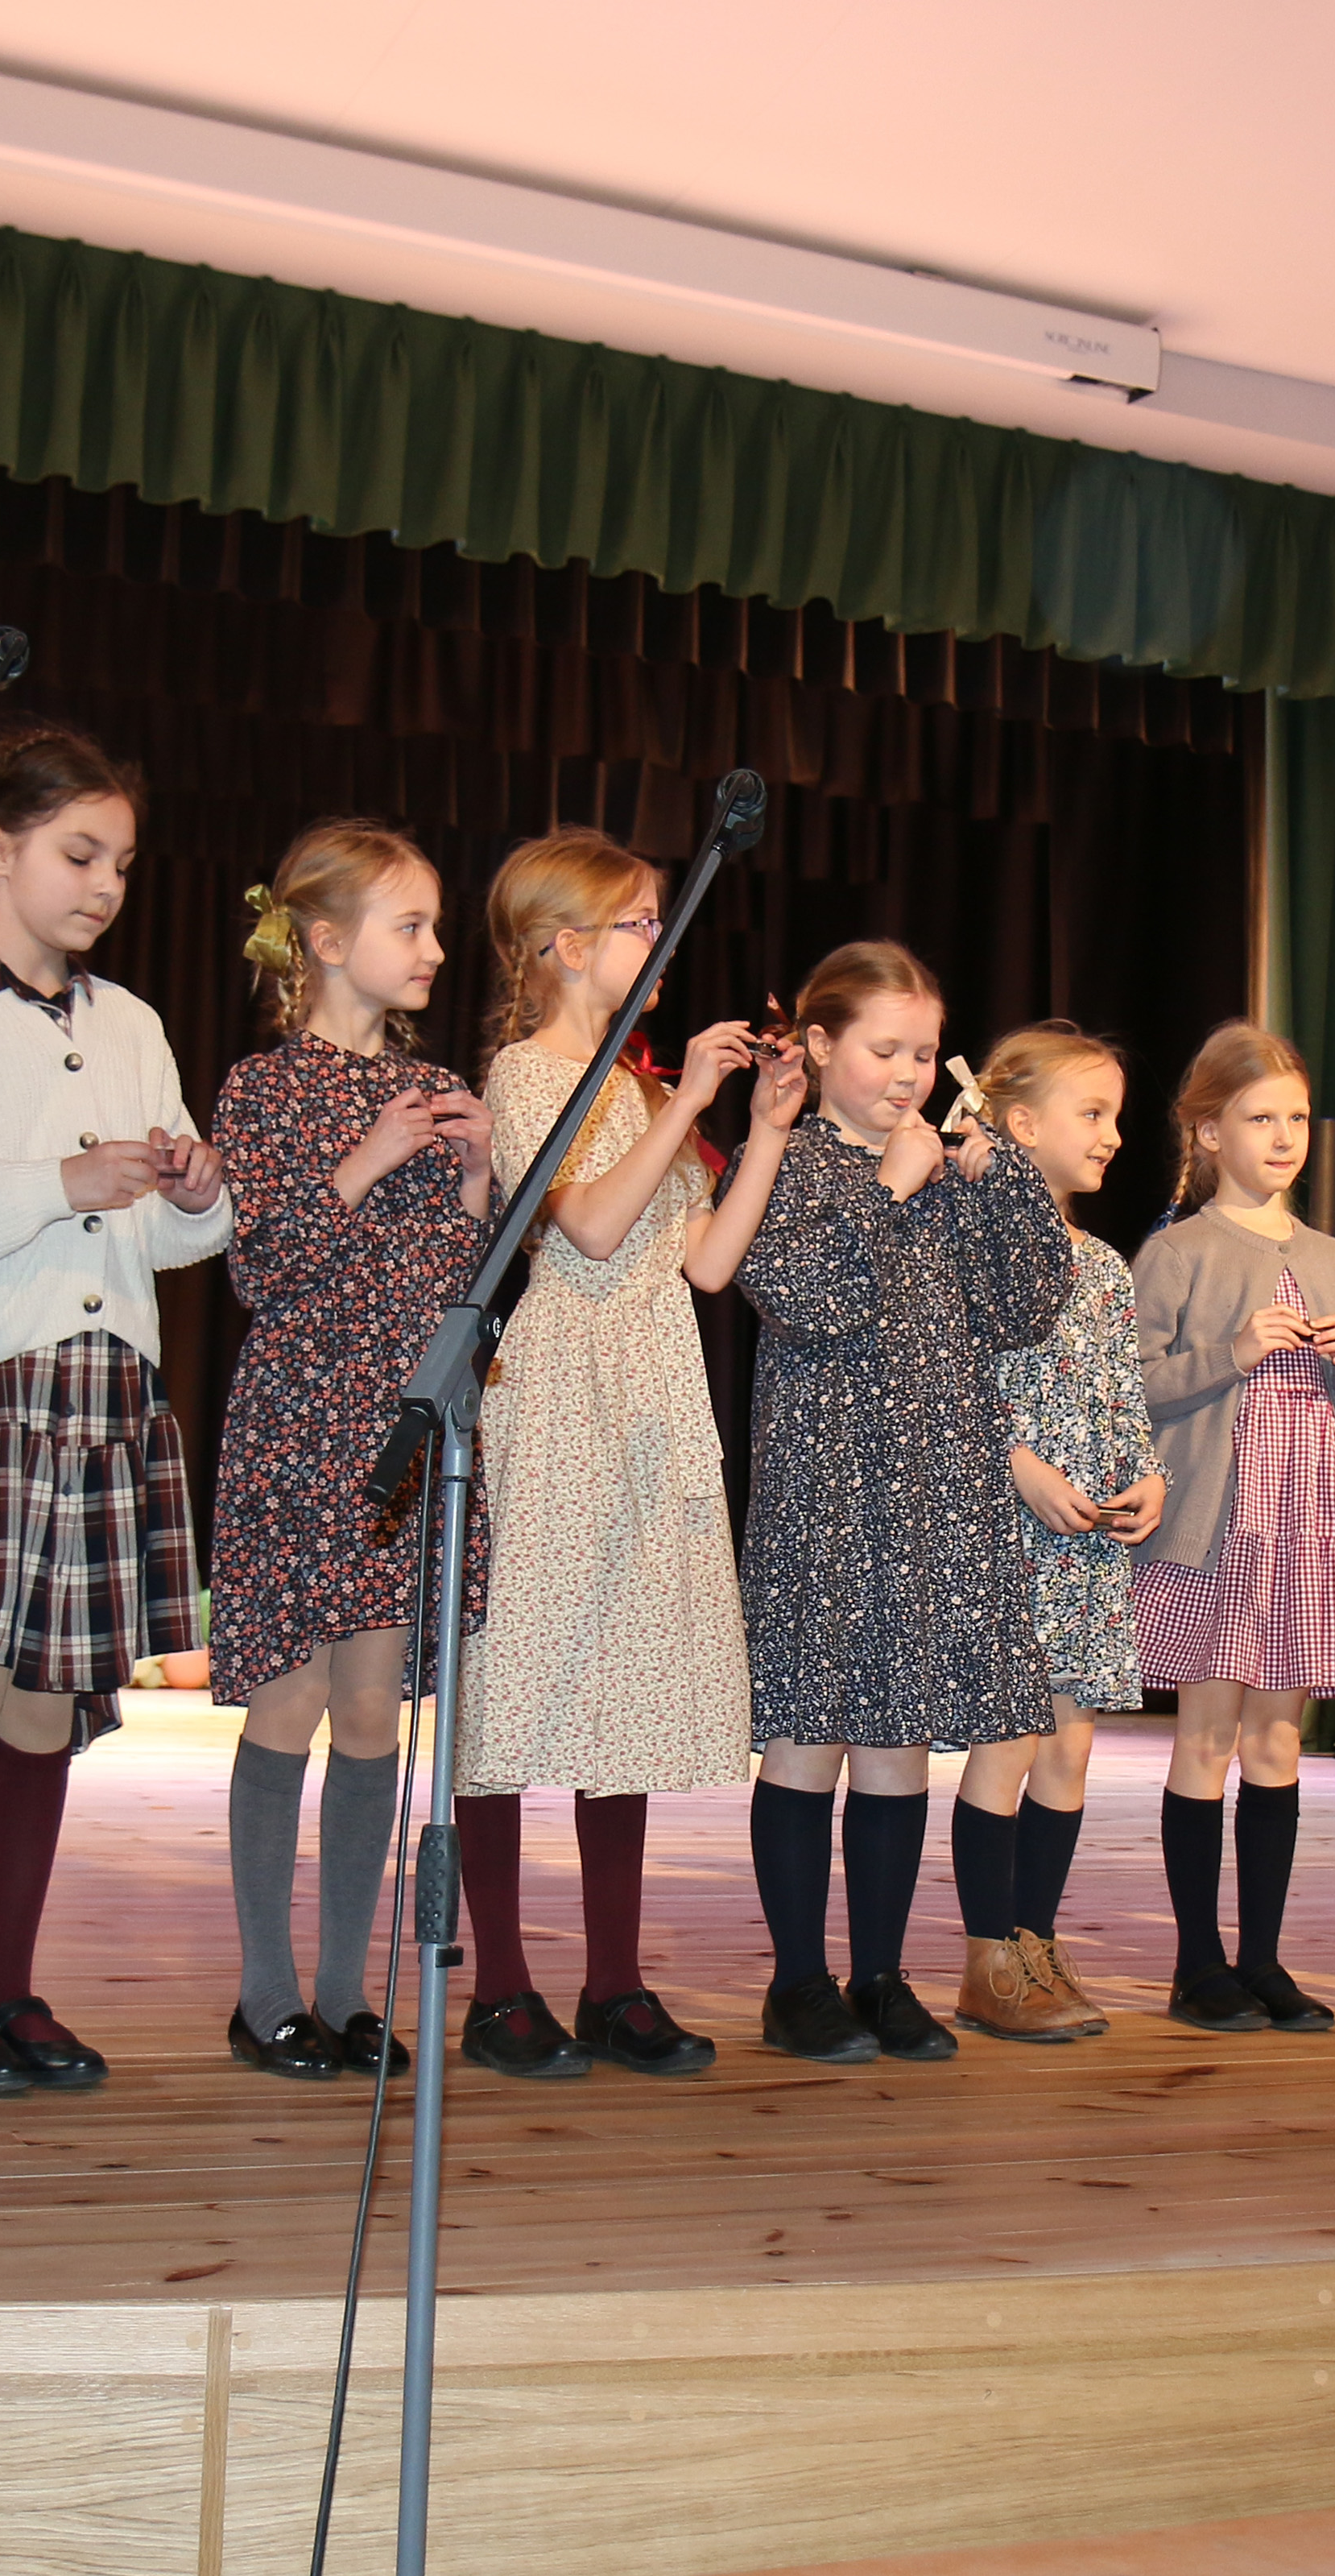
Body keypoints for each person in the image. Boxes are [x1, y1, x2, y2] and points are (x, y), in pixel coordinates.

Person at [0, 724, 227, 2094]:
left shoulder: (131, 1023)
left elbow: (179, 1241)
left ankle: (11, 1987)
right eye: (79, 854)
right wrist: (62, 1183)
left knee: (48, 1709)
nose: (103, 886)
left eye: (121, 865)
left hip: (105, 1387)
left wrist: (195, 1192)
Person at [440, 829, 801, 2079]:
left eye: (657, 918)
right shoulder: (527, 1072)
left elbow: (706, 1263)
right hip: (561, 1397)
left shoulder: (643, 1091)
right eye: (639, 921)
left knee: (626, 1683)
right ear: (562, 945)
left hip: (653, 1389)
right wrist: (689, 1099)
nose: (659, 940)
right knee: (515, 1683)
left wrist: (760, 1129)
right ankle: (499, 1983)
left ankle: (613, 1980)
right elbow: (589, 1227)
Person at [737, 942, 1075, 2065]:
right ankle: (797, 1981)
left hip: (938, 1490)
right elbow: (804, 1296)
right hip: (828, 1492)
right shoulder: (791, 1162)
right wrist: (890, 1186)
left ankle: (878, 1977)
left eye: (924, 1053)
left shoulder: (944, 1167)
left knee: (895, 1747)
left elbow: (1027, 1307)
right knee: (810, 1740)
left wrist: (1002, 1183)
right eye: (884, 1049)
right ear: (819, 1044)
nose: (908, 1073)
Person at [207, 824, 494, 2084]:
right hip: (302, 1424)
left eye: (434, 926)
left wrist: (476, 1175)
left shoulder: (437, 1086)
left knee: (374, 1707)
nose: (433, 948)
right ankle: (265, 1994)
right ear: (326, 941)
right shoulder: (265, 1087)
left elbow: (461, 1278)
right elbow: (263, 1267)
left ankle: (343, 1991)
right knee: (294, 1696)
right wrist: (372, 1155)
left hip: (403, 1425)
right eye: (408, 925)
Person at [1125, 1021, 1335, 2032]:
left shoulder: (1333, 1258)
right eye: (1258, 1117)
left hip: (1307, 1518)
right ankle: (1198, 1963)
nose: (1283, 1137)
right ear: (1207, 1132)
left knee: (1277, 1738)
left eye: (1295, 1118)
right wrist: (1231, 1352)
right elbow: (1133, 1389)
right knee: (1206, 1735)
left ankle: (1263, 1959)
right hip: (1220, 1519)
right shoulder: (1177, 1251)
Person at [960, 1022, 1164, 2041]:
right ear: (1021, 1123)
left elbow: (1123, 1393)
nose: (1112, 1134)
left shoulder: (1105, 1265)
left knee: (1069, 1747)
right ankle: (986, 1958)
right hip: (1007, 1528)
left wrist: (1148, 1475)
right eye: (1091, 1112)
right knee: (1008, 1742)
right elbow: (950, 1385)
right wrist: (1018, 1462)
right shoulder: (968, 1242)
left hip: (1084, 1542)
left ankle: (1034, 1942)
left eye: (1115, 1115)